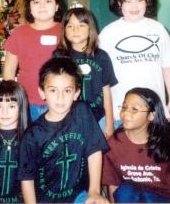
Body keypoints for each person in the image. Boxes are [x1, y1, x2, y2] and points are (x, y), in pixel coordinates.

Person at [18, 57, 109, 204]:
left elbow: (94, 151)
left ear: (76, 93)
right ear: (42, 93)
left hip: (80, 196)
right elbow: (27, 179)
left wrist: (94, 191)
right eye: (53, 90)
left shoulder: (82, 112)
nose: (60, 97)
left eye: (67, 90)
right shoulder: (33, 135)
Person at [99, 0, 170, 125]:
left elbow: (168, 67)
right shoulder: (108, 33)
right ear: (118, 2)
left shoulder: (158, 29)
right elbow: (102, 75)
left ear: (147, 0)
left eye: (139, 0)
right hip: (120, 112)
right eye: (128, 1)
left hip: (153, 110)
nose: (134, 6)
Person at [102, 87, 170, 203]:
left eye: (134, 109)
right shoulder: (113, 144)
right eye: (124, 107)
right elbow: (113, 185)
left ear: (151, 115)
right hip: (130, 195)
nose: (126, 113)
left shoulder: (167, 142)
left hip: (160, 195)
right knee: (124, 191)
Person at [3, 0, 64, 121]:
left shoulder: (66, 31)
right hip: (27, 103)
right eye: (36, 2)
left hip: (59, 102)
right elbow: (8, 72)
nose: (42, 6)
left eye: (48, 1)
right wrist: (13, 102)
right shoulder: (18, 34)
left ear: (57, 6)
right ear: (29, 7)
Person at [53, 5, 118, 138]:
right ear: (64, 30)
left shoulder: (101, 56)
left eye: (81, 25)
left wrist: (109, 123)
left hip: (98, 118)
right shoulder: (59, 56)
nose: (75, 30)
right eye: (70, 26)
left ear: (90, 29)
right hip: (68, 118)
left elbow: (106, 92)